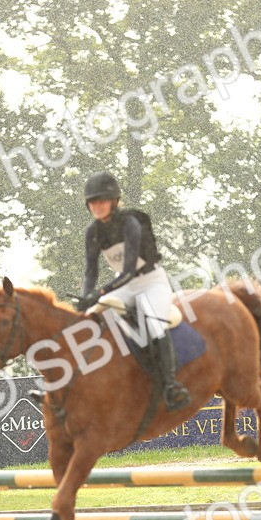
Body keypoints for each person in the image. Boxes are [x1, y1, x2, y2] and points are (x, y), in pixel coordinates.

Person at [76, 171, 191, 412]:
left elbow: (129, 269)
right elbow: (91, 271)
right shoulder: (92, 232)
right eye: (92, 202)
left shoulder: (130, 223)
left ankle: (170, 385)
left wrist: (101, 292)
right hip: (124, 285)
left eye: (102, 201)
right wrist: (87, 296)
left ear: (114, 201)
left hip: (151, 281)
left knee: (153, 323)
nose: (96, 206)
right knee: (93, 318)